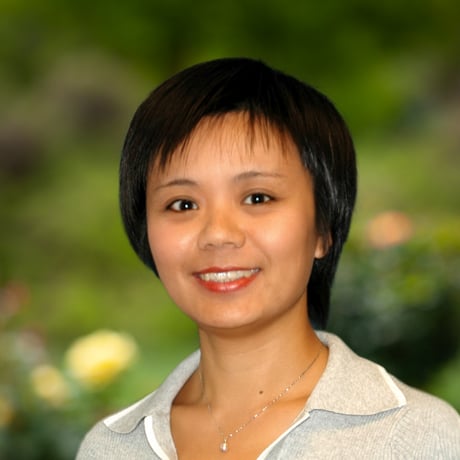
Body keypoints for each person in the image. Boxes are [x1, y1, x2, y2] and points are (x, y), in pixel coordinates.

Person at [77, 58, 460, 459]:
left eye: (258, 198)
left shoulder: (416, 437)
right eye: (183, 204)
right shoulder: (111, 448)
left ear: (323, 228)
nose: (218, 234)